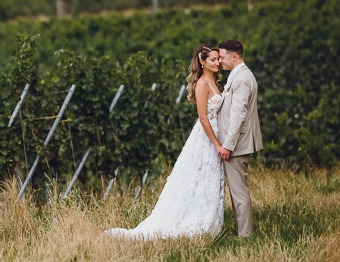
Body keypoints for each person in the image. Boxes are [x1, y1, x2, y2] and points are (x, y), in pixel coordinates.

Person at [105, 44, 225, 239]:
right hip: (206, 138)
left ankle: (208, 218)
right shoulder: (202, 84)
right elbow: (203, 117)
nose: (217, 62)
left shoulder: (214, 82)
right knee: (199, 176)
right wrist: (216, 144)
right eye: (213, 59)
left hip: (216, 133)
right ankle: (193, 220)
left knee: (209, 178)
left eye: (218, 59)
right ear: (202, 62)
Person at [216, 39, 262, 237]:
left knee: (239, 191)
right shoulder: (238, 75)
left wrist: (228, 145)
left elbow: (238, 114)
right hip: (237, 143)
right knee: (237, 190)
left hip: (237, 144)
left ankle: (245, 235)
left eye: (222, 57)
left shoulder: (242, 78)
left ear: (234, 57)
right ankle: (242, 231)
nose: (219, 61)